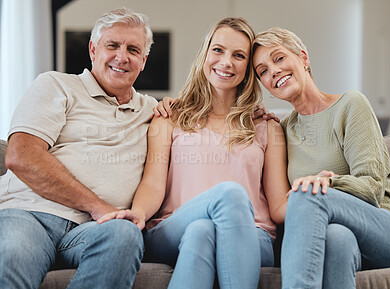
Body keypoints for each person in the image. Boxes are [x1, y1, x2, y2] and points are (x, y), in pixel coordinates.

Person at [98, 17, 289, 289]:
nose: (226, 62)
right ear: (205, 54)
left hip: (253, 234)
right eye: (218, 50)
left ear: (248, 68)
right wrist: (137, 214)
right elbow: (153, 183)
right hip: (173, 227)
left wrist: (324, 197)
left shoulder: (267, 127)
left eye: (239, 55)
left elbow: (278, 204)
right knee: (229, 195)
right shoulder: (169, 117)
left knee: (202, 231)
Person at [0, 8, 158, 289]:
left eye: (133, 49)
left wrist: (254, 114)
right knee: (12, 254)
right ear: (93, 50)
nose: (122, 57)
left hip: (97, 231)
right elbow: (20, 155)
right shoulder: (56, 85)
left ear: (143, 61)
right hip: (30, 214)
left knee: (124, 235)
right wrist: (98, 207)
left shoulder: (153, 111)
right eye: (113, 45)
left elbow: (208, 112)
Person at [253, 26, 390, 289]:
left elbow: (373, 187)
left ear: (304, 58)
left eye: (279, 58)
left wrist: (329, 184)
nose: (273, 71)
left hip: (384, 229)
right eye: (263, 71)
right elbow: (281, 207)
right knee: (337, 238)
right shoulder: (282, 131)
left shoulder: (350, 105)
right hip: (336, 235)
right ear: (266, 87)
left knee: (308, 193)